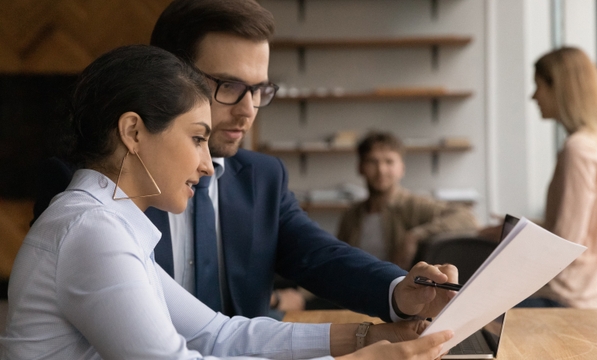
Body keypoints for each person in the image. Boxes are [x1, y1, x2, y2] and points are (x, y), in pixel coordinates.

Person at [0, 44, 455, 360]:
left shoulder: (103, 221)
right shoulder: (92, 231)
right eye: (197, 139)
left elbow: (216, 334)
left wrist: (370, 337)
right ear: (133, 132)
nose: (206, 164)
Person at [517, 47, 597, 308]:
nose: (534, 96)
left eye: (538, 86)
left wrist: (517, 237)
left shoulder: (577, 149)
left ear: (559, 88)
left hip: (568, 295)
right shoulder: (593, 143)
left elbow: (568, 243)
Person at [337, 132, 479, 269]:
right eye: (372, 162)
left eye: (389, 161)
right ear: (360, 168)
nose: (381, 170)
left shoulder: (413, 205)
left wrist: (415, 235)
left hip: (396, 289)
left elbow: (466, 217)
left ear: (402, 168)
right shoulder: (351, 215)